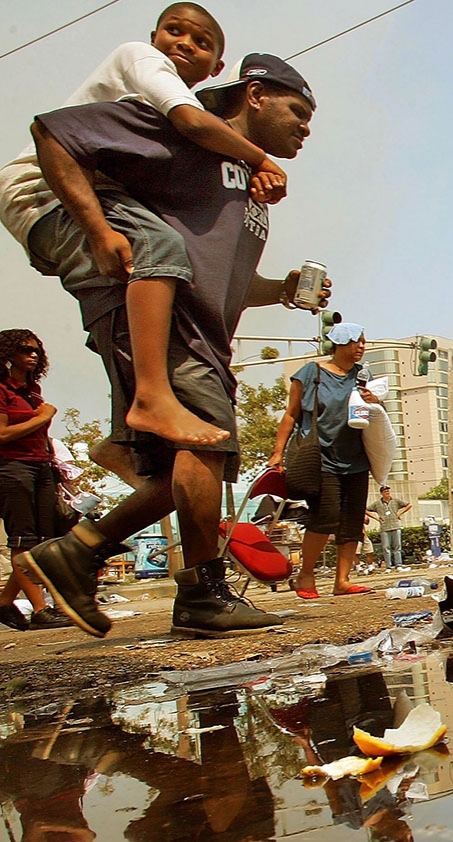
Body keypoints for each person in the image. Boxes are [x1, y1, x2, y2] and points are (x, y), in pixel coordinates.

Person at [17, 53, 318, 639]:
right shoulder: (184, 127)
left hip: (201, 328)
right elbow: (55, 132)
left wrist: (280, 290)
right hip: (167, 323)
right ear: (254, 94)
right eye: (298, 111)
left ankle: (79, 552)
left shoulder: (251, 187)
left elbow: (224, 279)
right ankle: (199, 594)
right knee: (206, 449)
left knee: (187, 466)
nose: (306, 127)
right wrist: (99, 233)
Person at [0, 3, 288, 449]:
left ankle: (118, 448)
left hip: (76, 195)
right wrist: (260, 160)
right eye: (174, 31)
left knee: (137, 291)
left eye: (201, 43)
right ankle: (153, 398)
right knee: (160, 247)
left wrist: (282, 291)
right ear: (154, 36)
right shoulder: (143, 61)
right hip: (41, 187)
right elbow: (192, 121)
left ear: (215, 66)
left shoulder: (166, 111)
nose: (184, 44)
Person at [272, 323, 376, 598]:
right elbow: (291, 414)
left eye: (364, 342)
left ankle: (342, 580)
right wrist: (277, 452)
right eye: (357, 342)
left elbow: (375, 415)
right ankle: (306, 576)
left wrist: (374, 400)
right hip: (321, 456)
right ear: (340, 343)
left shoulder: (362, 375)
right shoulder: (311, 373)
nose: (362, 347)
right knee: (326, 516)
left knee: (352, 521)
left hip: (356, 458)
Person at [0, 330, 71, 631]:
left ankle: (4, 603)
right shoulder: (2, 390)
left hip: (41, 467)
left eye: (36, 351)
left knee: (44, 541)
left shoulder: (32, 390)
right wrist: (43, 418)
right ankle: (40, 610)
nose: (33, 355)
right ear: (8, 355)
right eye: (25, 350)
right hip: (12, 468)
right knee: (23, 539)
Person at [367, 486, 411, 569]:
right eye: (385, 491)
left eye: (387, 491)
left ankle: (399, 564)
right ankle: (388, 566)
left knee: (397, 547)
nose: (387, 492)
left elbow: (408, 505)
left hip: (395, 525)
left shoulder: (395, 500)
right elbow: (366, 510)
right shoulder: (377, 503)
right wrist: (376, 517)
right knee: (386, 547)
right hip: (384, 527)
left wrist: (399, 513)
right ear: (381, 493)